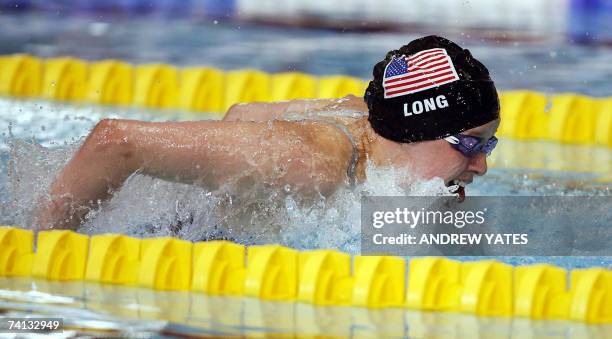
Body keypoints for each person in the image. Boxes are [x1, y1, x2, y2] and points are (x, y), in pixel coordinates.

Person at [34, 35, 500, 231]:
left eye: (488, 143)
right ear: (414, 131)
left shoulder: (368, 117)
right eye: (470, 144)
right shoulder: (312, 165)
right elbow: (114, 143)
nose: (481, 164)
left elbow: (244, 112)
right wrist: (41, 263)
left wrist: (225, 196)